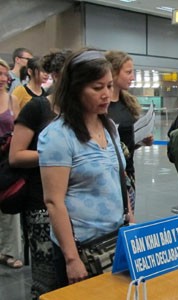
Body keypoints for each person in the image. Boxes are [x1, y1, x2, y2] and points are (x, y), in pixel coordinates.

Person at [38, 49, 134, 287]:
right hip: (82, 248)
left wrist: (130, 222)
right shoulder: (58, 136)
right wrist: (71, 259)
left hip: (116, 241)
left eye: (109, 86)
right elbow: (54, 202)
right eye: (97, 87)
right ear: (76, 88)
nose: (106, 94)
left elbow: (119, 178)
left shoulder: (109, 126)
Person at [8, 50, 69, 298]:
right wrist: (59, 158)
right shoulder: (37, 108)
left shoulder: (80, 111)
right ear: (55, 76)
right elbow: (16, 155)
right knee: (46, 276)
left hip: (71, 204)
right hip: (40, 202)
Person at [105, 50, 154, 212]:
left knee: (128, 218)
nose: (132, 77)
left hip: (128, 171)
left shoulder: (128, 103)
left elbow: (127, 143)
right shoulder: (101, 107)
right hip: (108, 175)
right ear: (113, 72)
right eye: (128, 72)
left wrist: (140, 141)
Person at [0, 58, 24, 270]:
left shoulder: (11, 100)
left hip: (5, 158)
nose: (1, 78)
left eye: (4, 74)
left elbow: (18, 127)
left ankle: (10, 251)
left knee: (9, 204)